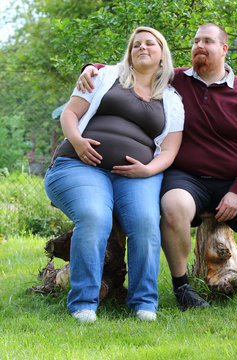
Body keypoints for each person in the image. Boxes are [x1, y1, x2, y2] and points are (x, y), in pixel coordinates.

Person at [77, 23, 237, 318]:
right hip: (186, 179)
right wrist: (92, 67)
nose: (199, 46)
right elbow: (134, 68)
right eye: (195, 41)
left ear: (224, 49)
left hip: (233, 180)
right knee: (173, 206)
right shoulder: (174, 81)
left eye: (208, 41)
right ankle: (182, 288)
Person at [44, 26, 184, 323]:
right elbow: (70, 114)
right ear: (129, 54)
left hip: (138, 175)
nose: (142, 47)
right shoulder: (104, 76)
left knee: (146, 223)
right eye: (136, 45)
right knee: (95, 217)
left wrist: (147, 169)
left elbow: (170, 151)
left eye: (150, 43)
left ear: (163, 55)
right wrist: (79, 143)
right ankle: (83, 303)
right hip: (81, 165)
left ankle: (144, 303)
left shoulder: (172, 99)